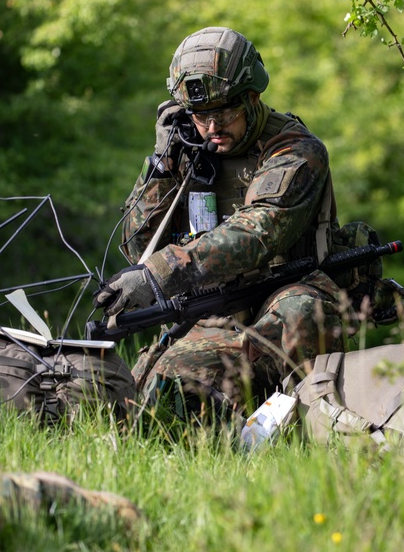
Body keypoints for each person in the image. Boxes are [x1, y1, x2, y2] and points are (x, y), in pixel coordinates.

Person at [94, 26, 346, 416]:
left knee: (299, 310)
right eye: (199, 116)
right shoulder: (187, 152)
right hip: (211, 309)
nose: (212, 128)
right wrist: (162, 165)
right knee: (155, 398)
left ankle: (308, 421)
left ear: (252, 97)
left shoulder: (295, 150)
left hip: (281, 298)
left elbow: (260, 231)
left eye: (225, 112)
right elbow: (138, 247)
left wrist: (164, 271)